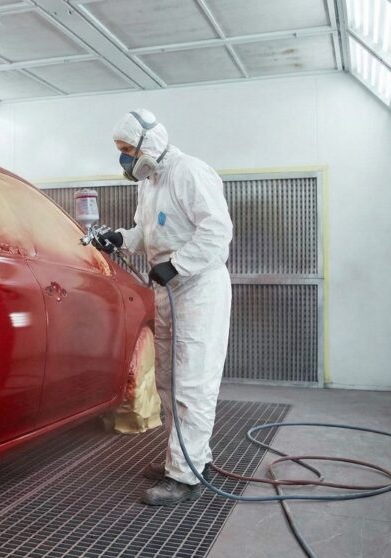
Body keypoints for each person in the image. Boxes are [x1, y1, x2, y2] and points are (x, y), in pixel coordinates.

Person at [96, 109, 233, 506]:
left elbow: (217, 231)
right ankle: (186, 457)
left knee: (193, 383)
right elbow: (145, 231)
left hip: (199, 289)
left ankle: (185, 477)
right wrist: (118, 237)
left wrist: (177, 264)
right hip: (170, 290)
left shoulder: (189, 172)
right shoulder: (149, 183)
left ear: (146, 146)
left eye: (126, 150)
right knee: (169, 381)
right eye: (119, 151)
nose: (123, 159)